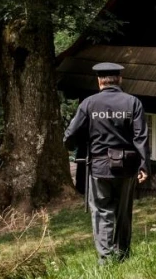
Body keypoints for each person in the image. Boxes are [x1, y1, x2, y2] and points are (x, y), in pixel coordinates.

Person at [64, 62, 149, 264]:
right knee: (123, 212)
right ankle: (123, 255)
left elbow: (70, 135)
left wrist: (77, 144)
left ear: (99, 81)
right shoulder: (133, 103)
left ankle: (105, 258)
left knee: (101, 211)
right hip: (127, 167)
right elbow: (141, 137)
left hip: (99, 167)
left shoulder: (89, 104)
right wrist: (144, 164)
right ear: (120, 79)